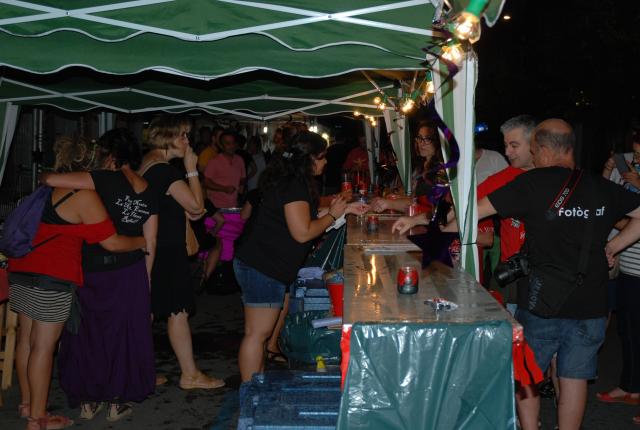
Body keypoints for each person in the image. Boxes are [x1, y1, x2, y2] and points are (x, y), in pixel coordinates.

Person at [394, 118, 640, 430]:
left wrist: (431, 234)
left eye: (533, 150)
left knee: (527, 375)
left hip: (541, 301)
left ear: (543, 149)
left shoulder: (530, 184)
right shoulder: (598, 185)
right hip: (591, 301)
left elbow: (471, 213)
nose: (532, 156)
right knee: (575, 377)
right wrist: (613, 246)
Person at [8, 135, 147, 430]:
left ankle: (26, 405)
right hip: (51, 277)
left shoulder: (45, 187)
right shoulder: (82, 196)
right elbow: (112, 243)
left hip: (21, 268)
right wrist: (142, 240)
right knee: (43, 347)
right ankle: (38, 420)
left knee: (25, 340)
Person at [42, 129, 158, 422]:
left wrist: (52, 171)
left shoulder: (101, 178)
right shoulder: (148, 188)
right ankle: (117, 402)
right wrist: (146, 281)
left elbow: (51, 180)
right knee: (123, 334)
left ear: (110, 155)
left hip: (93, 269)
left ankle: (88, 399)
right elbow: (151, 241)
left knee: (88, 333)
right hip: (130, 270)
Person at [233, 131, 367, 382]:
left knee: (259, 334)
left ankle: (256, 385)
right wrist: (333, 214)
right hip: (262, 265)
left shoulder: (291, 180)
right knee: (257, 334)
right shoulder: (294, 185)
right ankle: (250, 391)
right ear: (309, 159)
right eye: (322, 156)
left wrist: (344, 209)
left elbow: (305, 216)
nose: (325, 162)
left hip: (263, 263)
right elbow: (303, 232)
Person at [140, 115, 225, 390]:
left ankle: (142, 371)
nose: (188, 141)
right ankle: (188, 375)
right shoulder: (164, 171)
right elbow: (198, 208)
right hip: (166, 249)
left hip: (156, 247)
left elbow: (192, 210)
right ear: (167, 138)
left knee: (156, 312)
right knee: (175, 312)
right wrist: (191, 169)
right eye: (182, 135)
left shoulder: (148, 165)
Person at [597, 126, 640, 419]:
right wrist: (608, 170)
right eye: (634, 151)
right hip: (628, 264)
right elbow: (603, 200)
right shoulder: (625, 169)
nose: (635, 158)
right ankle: (630, 386)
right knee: (627, 329)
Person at [371, 120, 445, 215]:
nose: (421, 143)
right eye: (419, 138)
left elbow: (425, 206)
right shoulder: (423, 166)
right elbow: (415, 199)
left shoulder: (440, 171)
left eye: (427, 139)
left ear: (437, 142)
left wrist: (389, 203)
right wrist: (397, 198)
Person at [203, 130, 246, 209]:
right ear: (221, 146)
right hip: (216, 207)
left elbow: (242, 179)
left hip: (233, 205)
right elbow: (206, 182)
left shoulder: (239, 160)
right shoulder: (214, 161)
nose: (232, 146)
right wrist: (224, 189)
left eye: (233, 143)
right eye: (228, 143)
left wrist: (240, 195)